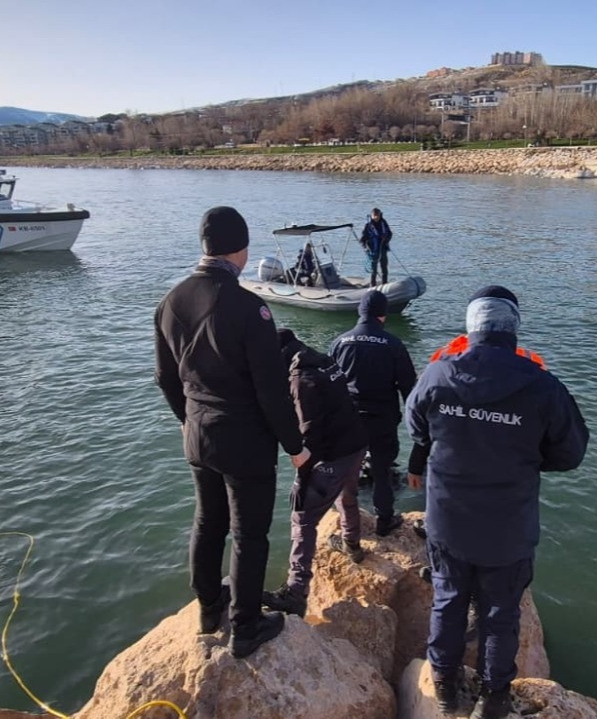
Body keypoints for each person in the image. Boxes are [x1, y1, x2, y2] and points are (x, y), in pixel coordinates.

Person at [406, 286, 588, 719]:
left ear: (470, 329)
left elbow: (416, 424)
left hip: (449, 520)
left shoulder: (438, 374)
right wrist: (523, 454)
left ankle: (446, 689)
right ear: (513, 331)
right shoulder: (542, 386)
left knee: (448, 601)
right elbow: (571, 453)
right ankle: (494, 698)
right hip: (508, 526)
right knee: (500, 614)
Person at [154, 206, 311, 659]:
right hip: (244, 441)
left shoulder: (171, 300)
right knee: (248, 534)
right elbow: (271, 391)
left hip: (198, 436)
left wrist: (188, 420)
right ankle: (245, 626)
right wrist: (296, 447)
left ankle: (208, 607)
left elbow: (165, 378)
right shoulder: (249, 308)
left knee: (207, 521)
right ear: (241, 250)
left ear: (204, 246)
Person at [262, 329, 370, 617]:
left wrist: (302, 479)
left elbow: (310, 434)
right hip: (357, 444)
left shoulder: (301, 379)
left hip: (335, 455)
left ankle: (296, 592)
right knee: (347, 496)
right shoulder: (323, 360)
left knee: (303, 519)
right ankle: (352, 545)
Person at [329, 290, 417, 537]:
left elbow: (328, 383)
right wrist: (416, 422)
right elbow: (409, 387)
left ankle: (347, 525)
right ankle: (384, 519)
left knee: (346, 471)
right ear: (383, 314)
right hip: (381, 419)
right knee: (381, 470)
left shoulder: (339, 342)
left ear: (360, 312)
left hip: (348, 419)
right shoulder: (393, 344)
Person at [360, 208, 393, 286]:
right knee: (374, 269)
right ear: (371, 216)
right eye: (374, 216)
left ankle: (385, 283)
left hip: (383, 249)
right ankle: (373, 284)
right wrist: (365, 248)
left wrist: (386, 240)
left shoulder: (383, 223)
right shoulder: (368, 226)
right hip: (373, 250)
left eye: (377, 216)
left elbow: (390, 233)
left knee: (384, 267)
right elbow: (363, 239)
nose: (376, 217)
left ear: (379, 215)